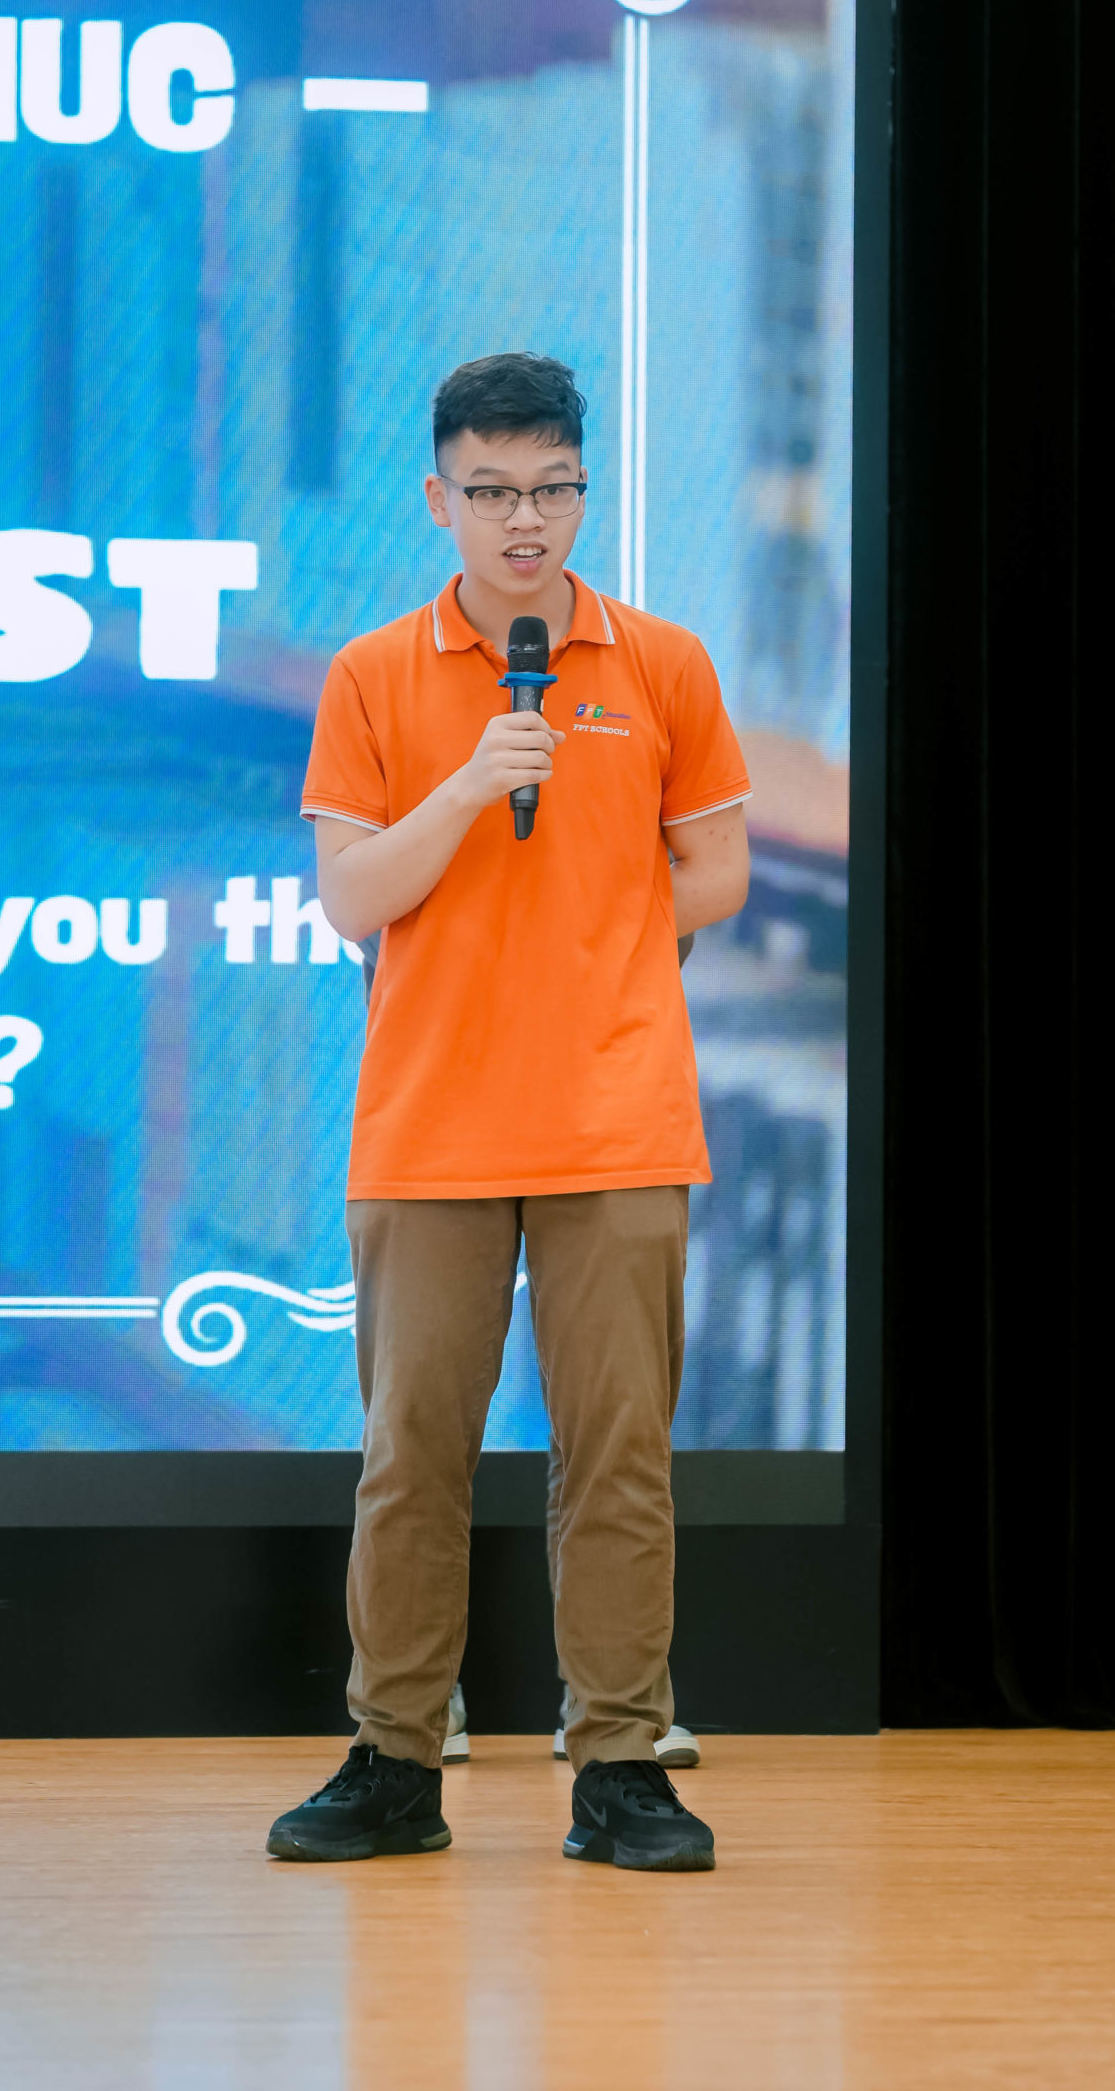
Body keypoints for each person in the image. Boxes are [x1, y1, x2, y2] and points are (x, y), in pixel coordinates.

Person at [267, 352, 751, 1873]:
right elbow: (355, 897)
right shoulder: (370, 675)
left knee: (619, 1458)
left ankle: (621, 1766)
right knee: (411, 1455)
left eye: (551, 490)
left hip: (619, 1116)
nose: (523, 520)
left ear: (584, 493)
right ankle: (395, 1759)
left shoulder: (662, 662)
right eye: (491, 492)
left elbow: (719, 871)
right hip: (431, 1125)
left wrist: (601, 932)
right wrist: (475, 782)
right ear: (440, 500)